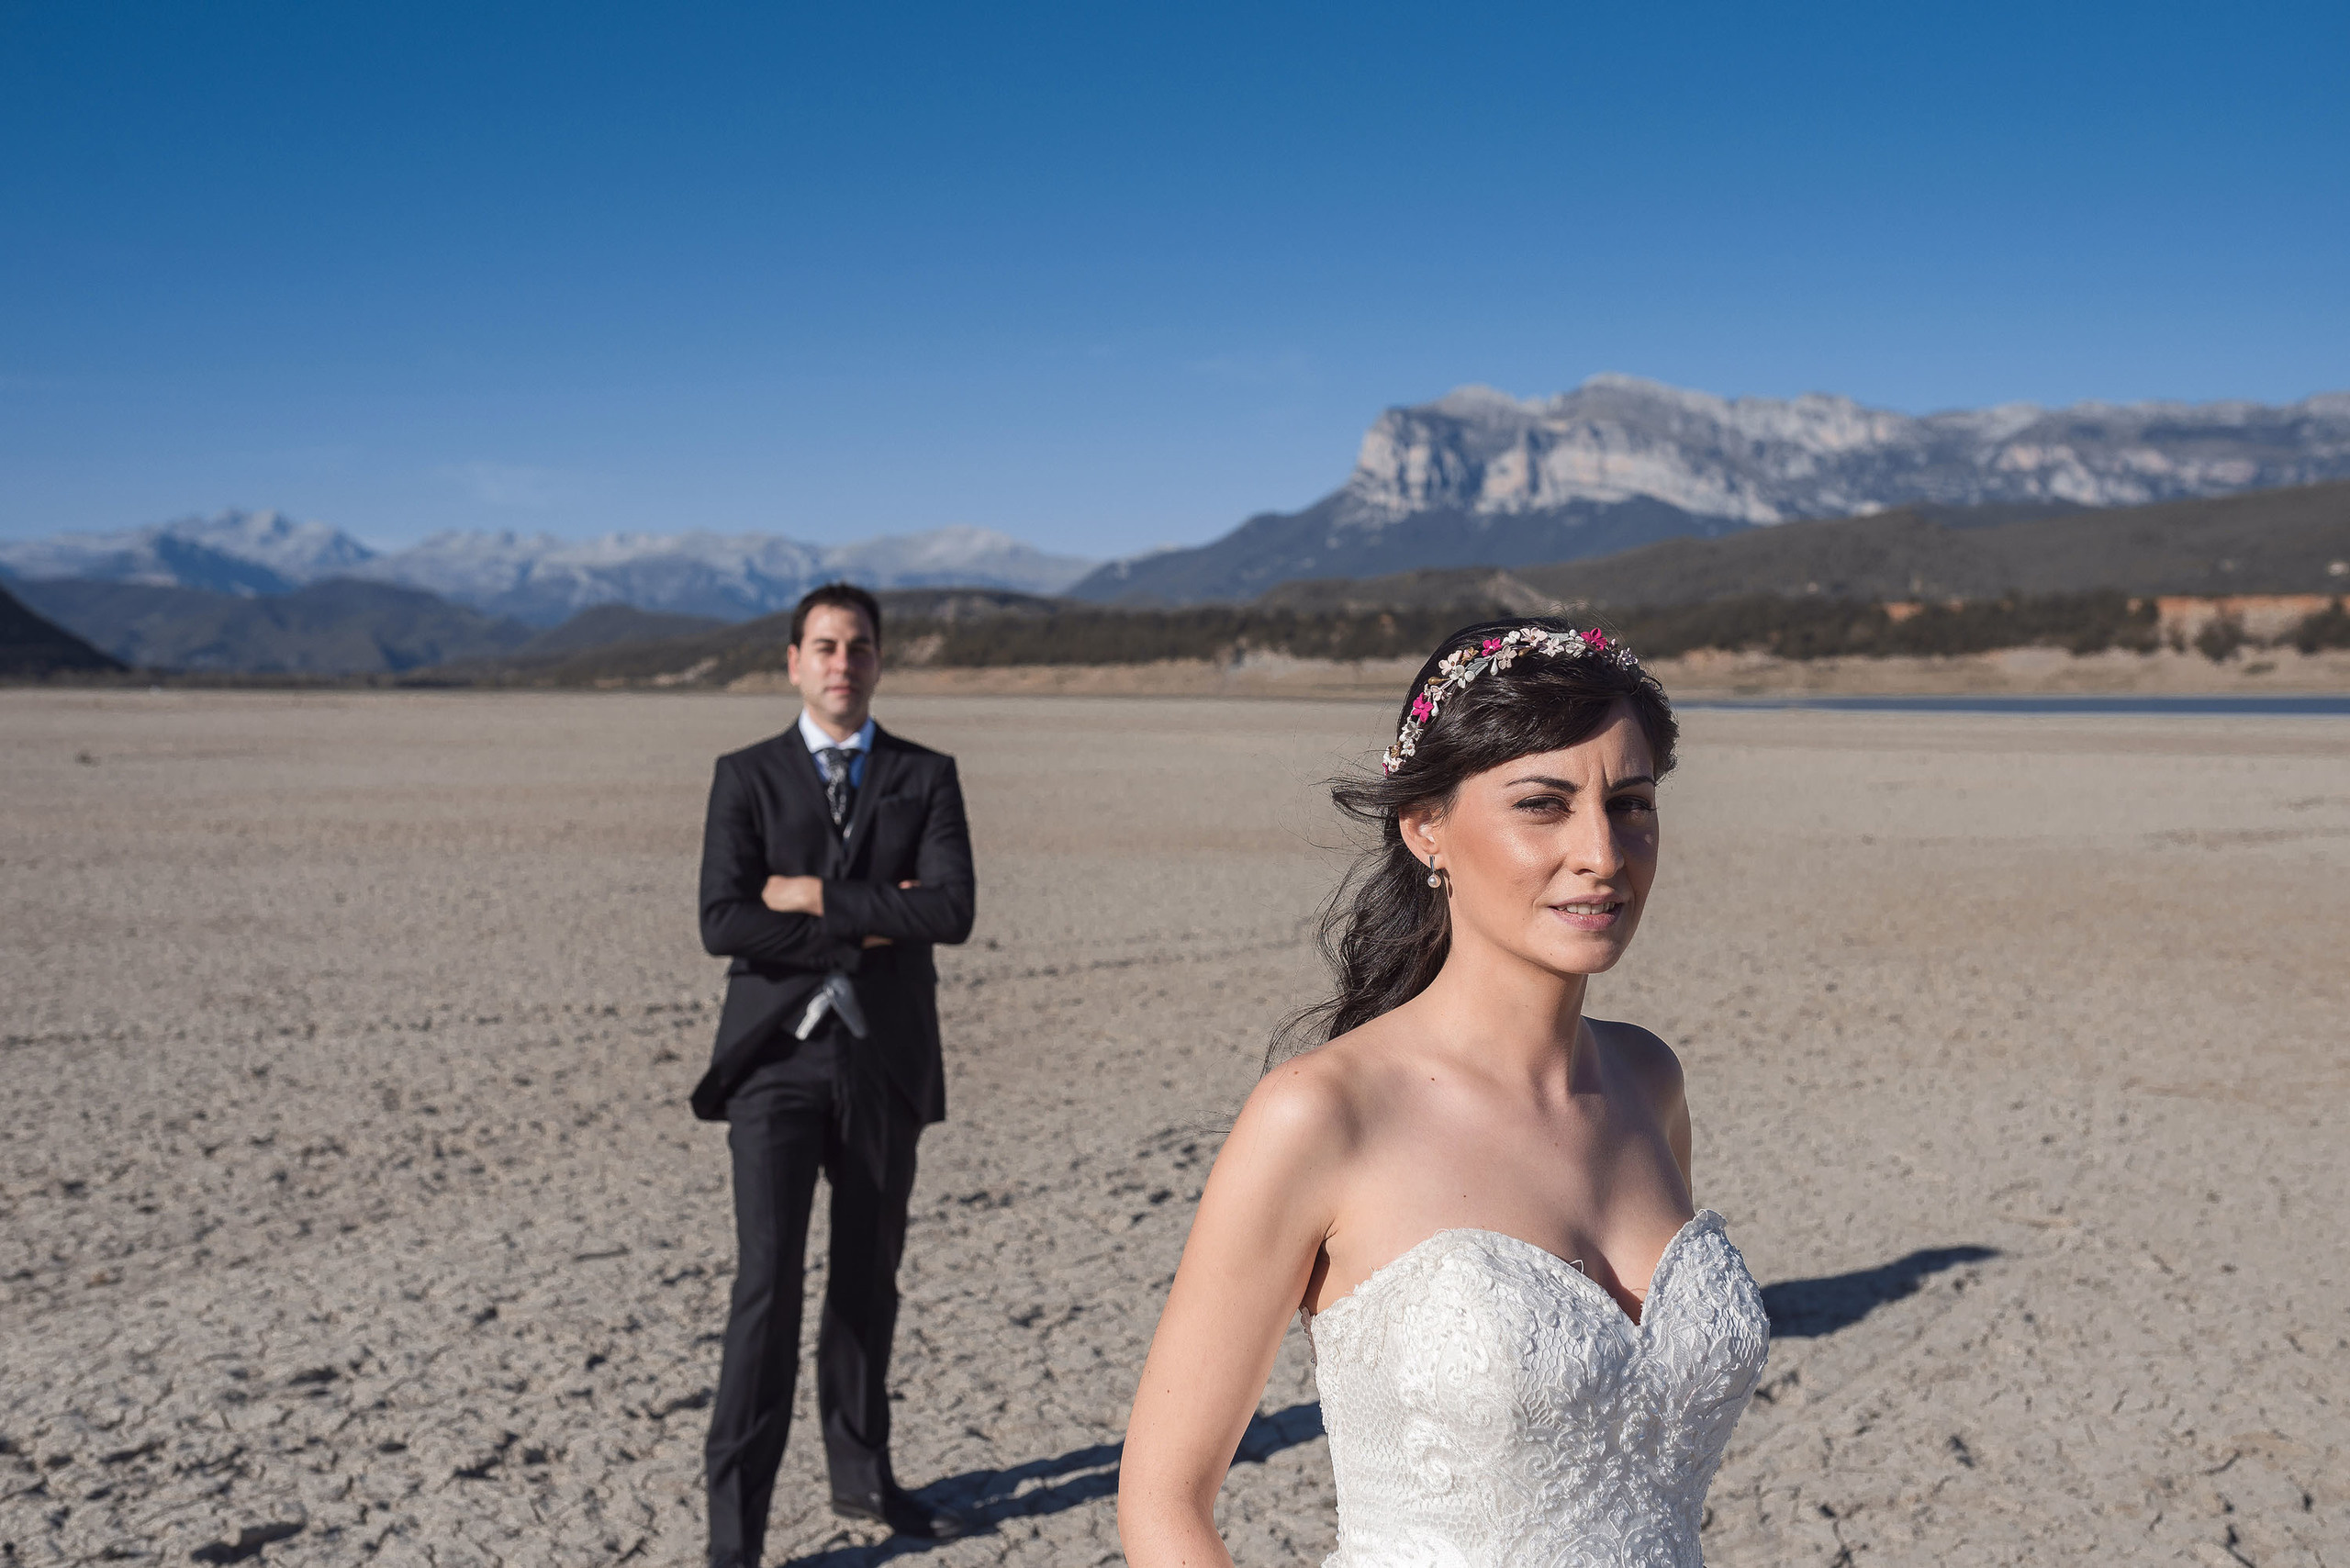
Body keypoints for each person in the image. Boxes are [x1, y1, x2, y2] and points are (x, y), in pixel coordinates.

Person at [1118, 619, 1769, 1568]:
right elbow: (1164, 1501)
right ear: (1427, 828)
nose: (1601, 851)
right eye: (1543, 804)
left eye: (1630, 804)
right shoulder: (1323, 1115)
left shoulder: (1647, 1080)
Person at [692, 582, 976, 1566]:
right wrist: (872, 911)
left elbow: (948, 910)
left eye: (857, 647)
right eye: (822, 646)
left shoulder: (925, 774)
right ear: (792, 661)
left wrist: (814, 895)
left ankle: (862, 1475)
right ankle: (737, 1535)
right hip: (773, 1061)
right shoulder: (746, 776)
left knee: (866, 1280)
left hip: (880, 1063)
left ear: (878, 660)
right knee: (765, 1289)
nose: (840, 663)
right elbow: (721, 920)